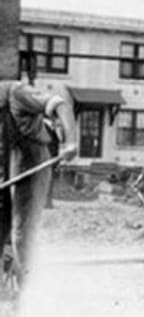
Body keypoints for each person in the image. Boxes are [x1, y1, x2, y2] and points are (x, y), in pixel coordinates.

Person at [0, 81, 77, 286]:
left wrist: (70, 142)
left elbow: (61, 105)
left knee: (21, 233)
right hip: (6, 164)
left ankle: (30, 294)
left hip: (32, 161)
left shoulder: (17, 93)